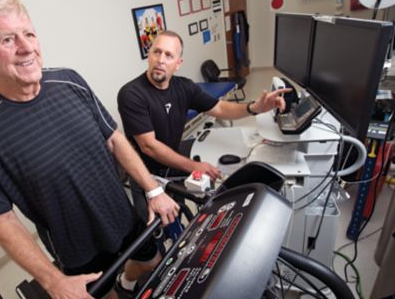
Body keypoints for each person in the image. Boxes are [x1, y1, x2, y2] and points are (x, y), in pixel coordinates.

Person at [0, 0, 179, 299]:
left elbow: (114, 137)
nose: (27, 47)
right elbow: (0, 217)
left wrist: (152, 189)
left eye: (29, 33)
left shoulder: (70, 81)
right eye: (8, 40)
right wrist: (52, 280)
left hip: (122, 216)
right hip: (75, 246)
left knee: (152, 264)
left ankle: (130, 279)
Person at [117, 30, 289, 216]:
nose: (161, 60)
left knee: (178, 211)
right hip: (145, 175)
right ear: (149, 56)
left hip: (172, 166)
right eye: (157, 52)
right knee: (152, 229)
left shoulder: (184, 87)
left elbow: (220, 108)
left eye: (168, 55)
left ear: (177, 64)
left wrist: (254, 107)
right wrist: (194, 166)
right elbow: (149, 146)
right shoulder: (131, 94)